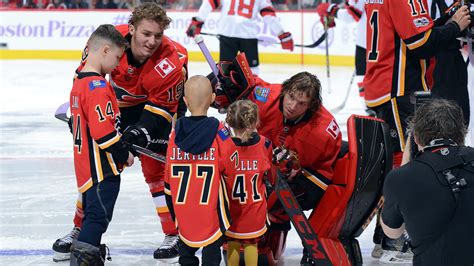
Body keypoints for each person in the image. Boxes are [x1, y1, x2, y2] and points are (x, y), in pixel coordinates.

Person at [52, 2, 188, 262]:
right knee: (96, 169)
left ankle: (174, 233)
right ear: (132, 29)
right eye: (146, 34)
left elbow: (161, 110)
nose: (152, 41)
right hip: (112, 105)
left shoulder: (173, 60)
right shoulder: (108, 41)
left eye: (158, 36)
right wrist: (78, 112)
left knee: (155, 172)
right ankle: (81, 230)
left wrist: (140, 133)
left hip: (152, 110)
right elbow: (82, 79)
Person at [210, 64, 342, 264]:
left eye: (301, 103)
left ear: (312, 105)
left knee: (275, 197)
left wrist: (294, 168)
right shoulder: (264, 97)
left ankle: (273, 231)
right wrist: (221, 85)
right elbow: (240, 82)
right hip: (264, 166)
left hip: (310, 176)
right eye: (290, 97)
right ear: (285, 90)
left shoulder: (322, 131)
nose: (292, 106)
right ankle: (237, 236)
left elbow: (320, 171)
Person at [68, 24, 134, 265]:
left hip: (86, 169)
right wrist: (123, 154)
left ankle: (88, 254)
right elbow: (103, 133)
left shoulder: (79, 82)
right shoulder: (96, 86)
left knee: (92, 216)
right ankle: (84, 260)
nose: (118, 65)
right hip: (101, 171)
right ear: (105, 50)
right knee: (97, 218)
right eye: (117, 57)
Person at [381, 98, 474, 265]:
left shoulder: (401, 178)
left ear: (416, 138)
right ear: (462, 133)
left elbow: (392, 232)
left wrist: (406, 162)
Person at [164, 75, 232, 266]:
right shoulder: (219, 130)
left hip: (184, 210)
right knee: (212, 252)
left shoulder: (175, 133)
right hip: (210, 210)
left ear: (185, 101)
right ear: (212, 98)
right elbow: (229, 165)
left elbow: (168, 177)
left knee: (186, 253)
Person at [222, 100, 273, 266]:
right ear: (254, 122)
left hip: (232, 211)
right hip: (255, 211)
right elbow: (269, 173)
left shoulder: (224, 147)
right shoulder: (264, 144)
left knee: (232, 244)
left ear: (229, 121)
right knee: (252, 245)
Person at [185, 0, 294, 75]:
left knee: (225, 69)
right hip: (248, 35)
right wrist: (282, 35)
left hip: (227, 32)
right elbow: (269, 16)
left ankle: (225, 99)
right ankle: (251, 98)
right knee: (252, 70)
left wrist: (197, 21)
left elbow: (208, 3)